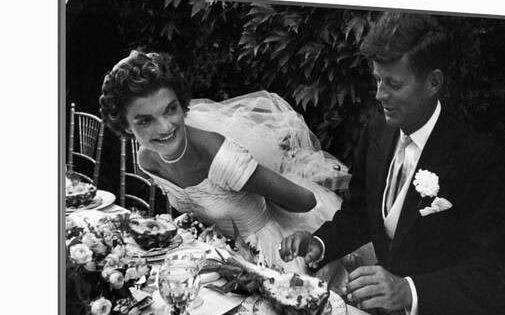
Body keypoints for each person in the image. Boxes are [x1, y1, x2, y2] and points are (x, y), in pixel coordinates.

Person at [279, 12, 505, 315]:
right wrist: (320, 243)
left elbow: (491, 273)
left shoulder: (479, 158)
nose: (379, 95)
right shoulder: (376, 131)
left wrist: (408, 291)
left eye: (393, 84)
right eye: (377, 80)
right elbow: (359, 213)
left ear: (433, 82)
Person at [99, 50, 348, 281]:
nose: (165, 127)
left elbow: (305, 201)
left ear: (182, 103)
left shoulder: (219, 156)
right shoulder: (147, 159)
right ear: (124, 127)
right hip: (221, 258)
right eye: (145, 121)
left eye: (171, 109)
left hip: (272, 260)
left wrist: (254, 188)